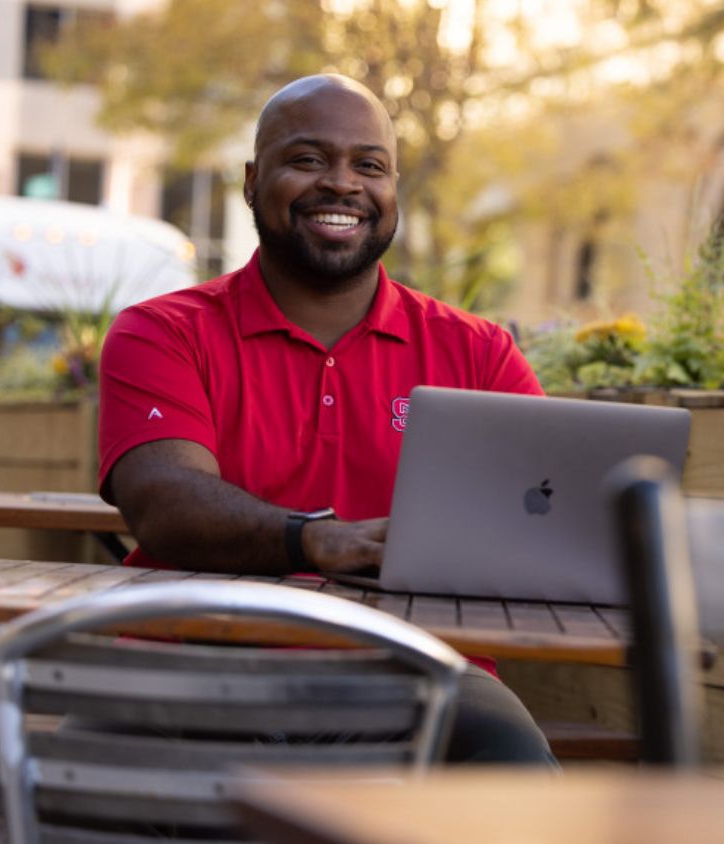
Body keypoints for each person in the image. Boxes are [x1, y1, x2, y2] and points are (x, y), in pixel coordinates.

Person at [95, 74, 556, 766]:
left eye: (369, 166)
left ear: (394, 190)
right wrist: (313, 541)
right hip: (192, 665)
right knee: (74, 782)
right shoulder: (162, 333)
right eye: (308, 160)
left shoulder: (478, 352)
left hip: (420, 672)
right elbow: (166, 503)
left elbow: (547, 518)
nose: (343, 185)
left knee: (515, 767)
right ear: (252, 182)